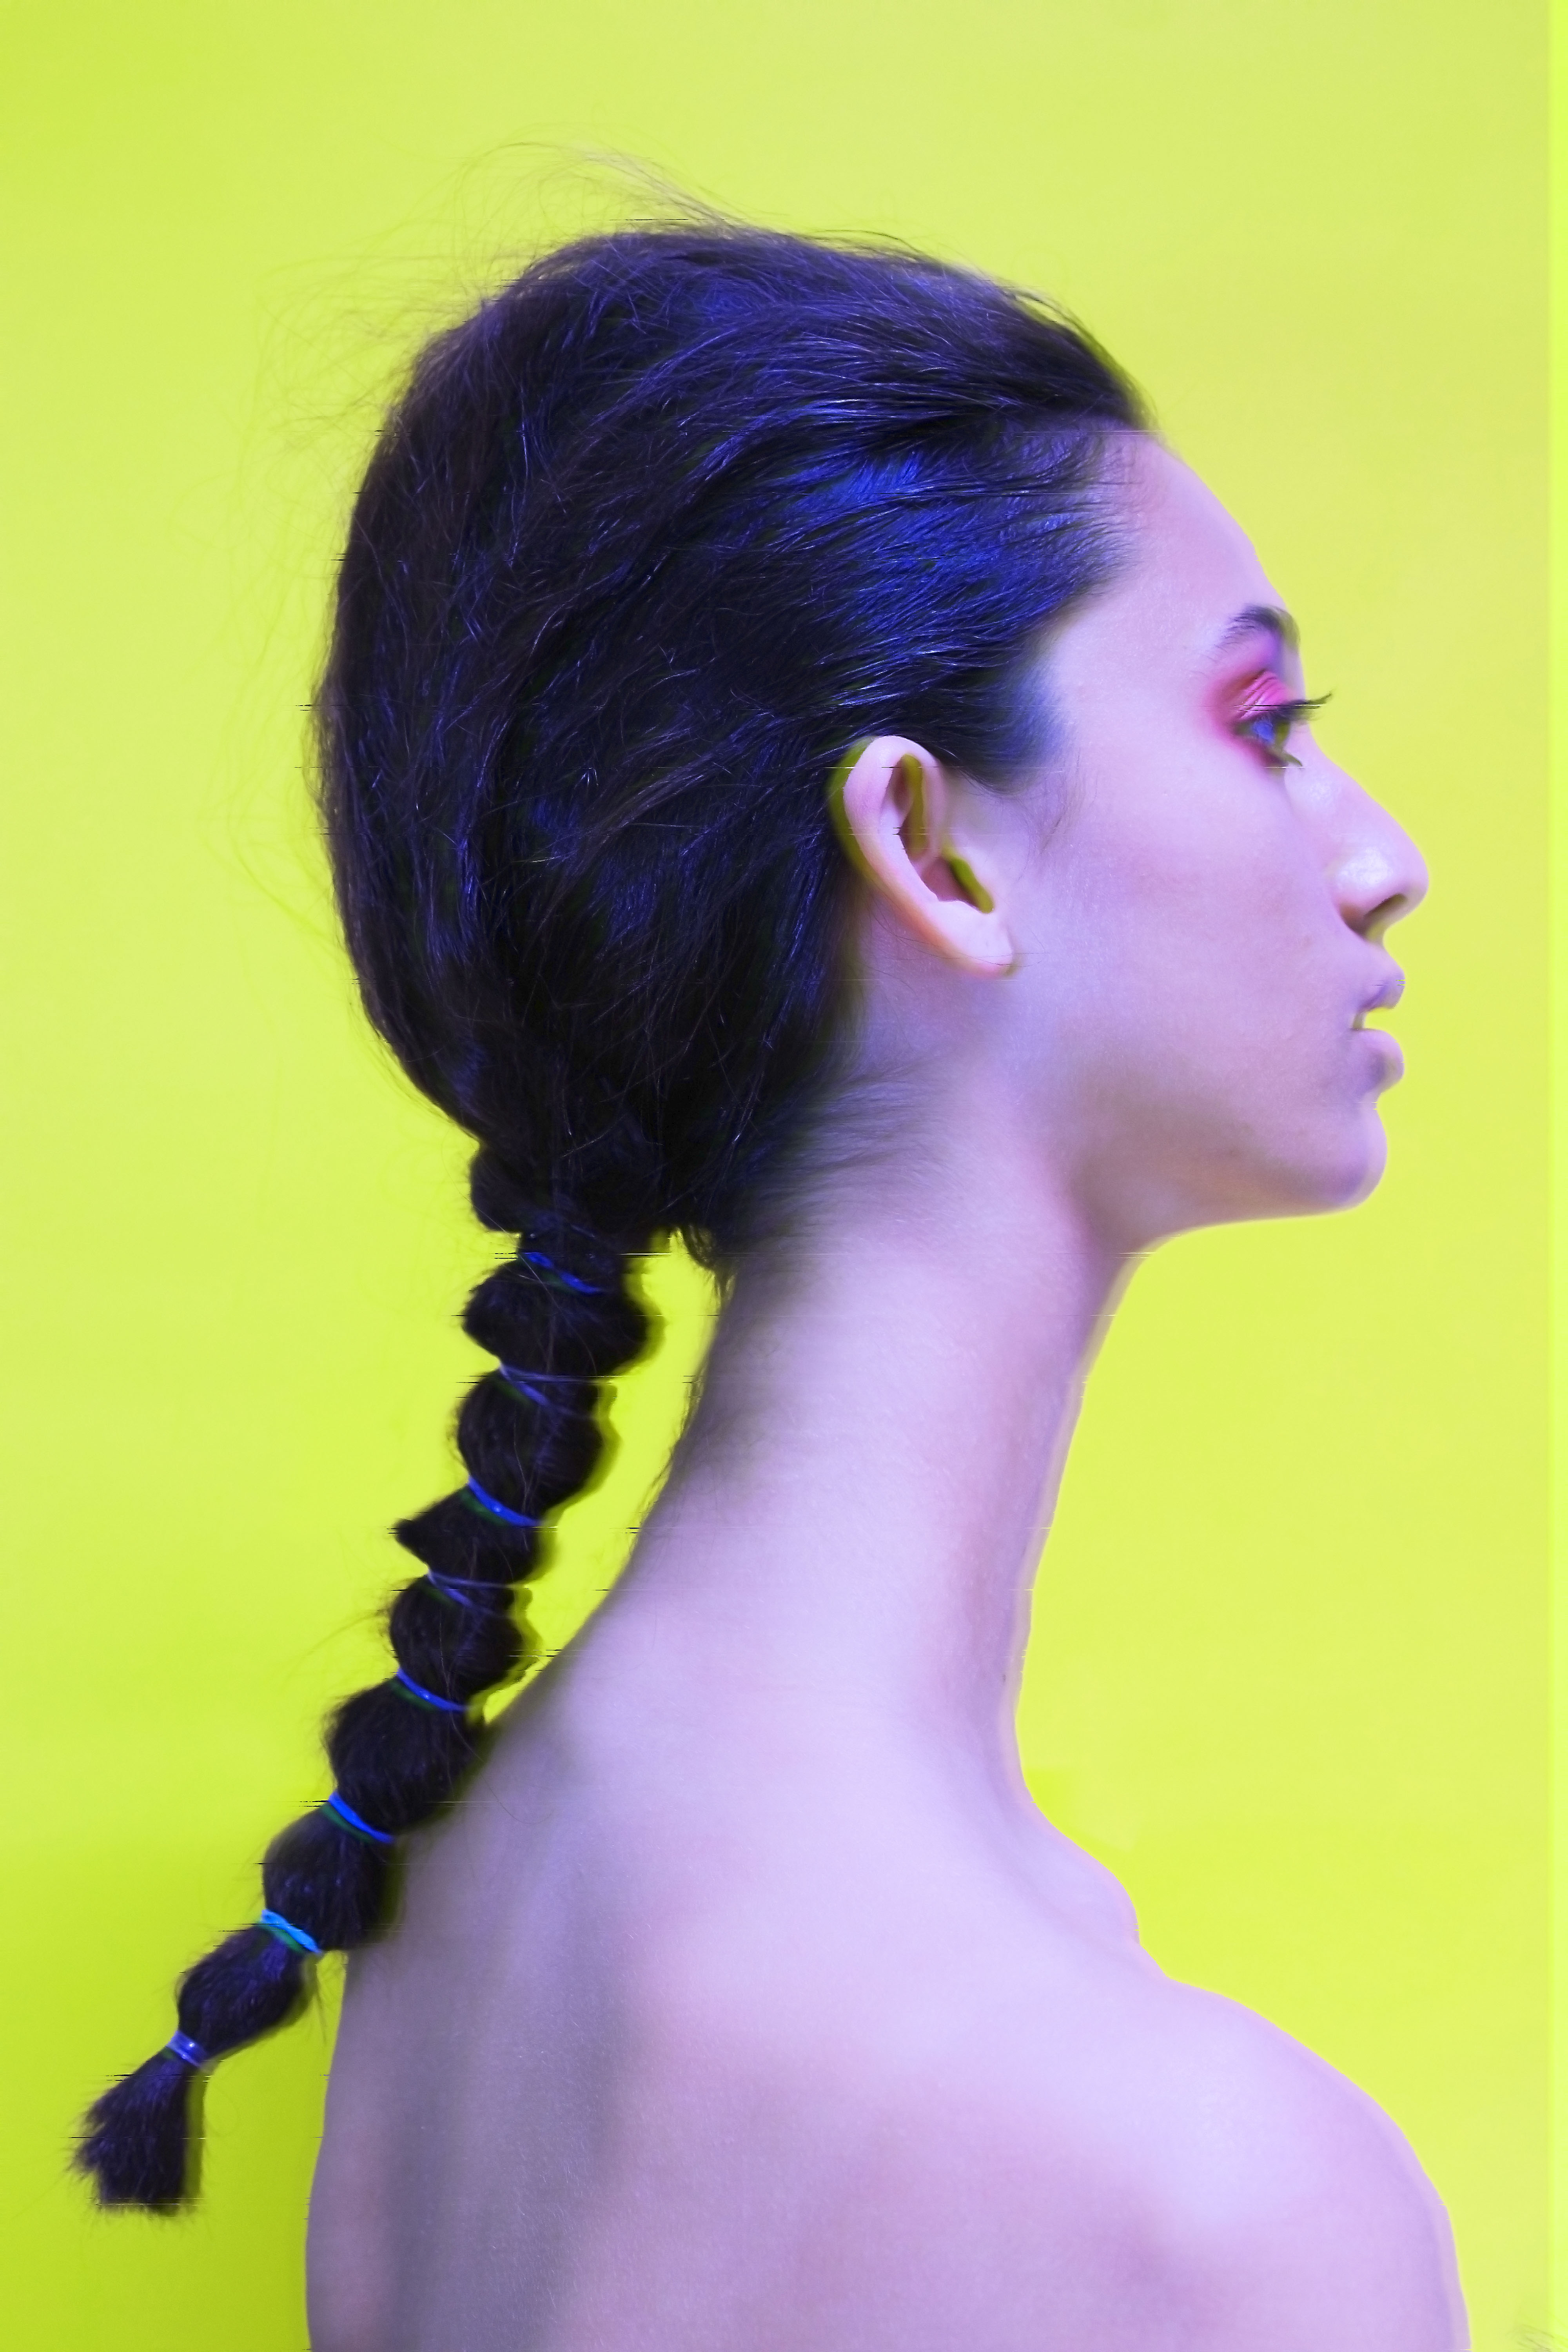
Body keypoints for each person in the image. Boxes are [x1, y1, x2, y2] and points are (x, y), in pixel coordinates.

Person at [78, 221, 1467, 2350]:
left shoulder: (450, 1924)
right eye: (1265, 722)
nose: (1383, 859)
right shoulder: (1210, 2205)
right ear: (936, 848)